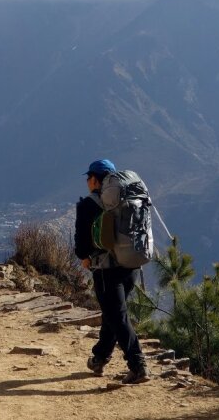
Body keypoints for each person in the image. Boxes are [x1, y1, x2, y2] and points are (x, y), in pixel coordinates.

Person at [74, 158, 150, 384]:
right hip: (131, 264)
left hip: (106, 269)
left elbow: (81, 242)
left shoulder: (88, 205)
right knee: (113, 312)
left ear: (96, 180)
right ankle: (99, 358)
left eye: (89, 177)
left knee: (117, 315)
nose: (87, 182)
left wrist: (84, 257)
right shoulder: (127, 200)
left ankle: (138, 365)